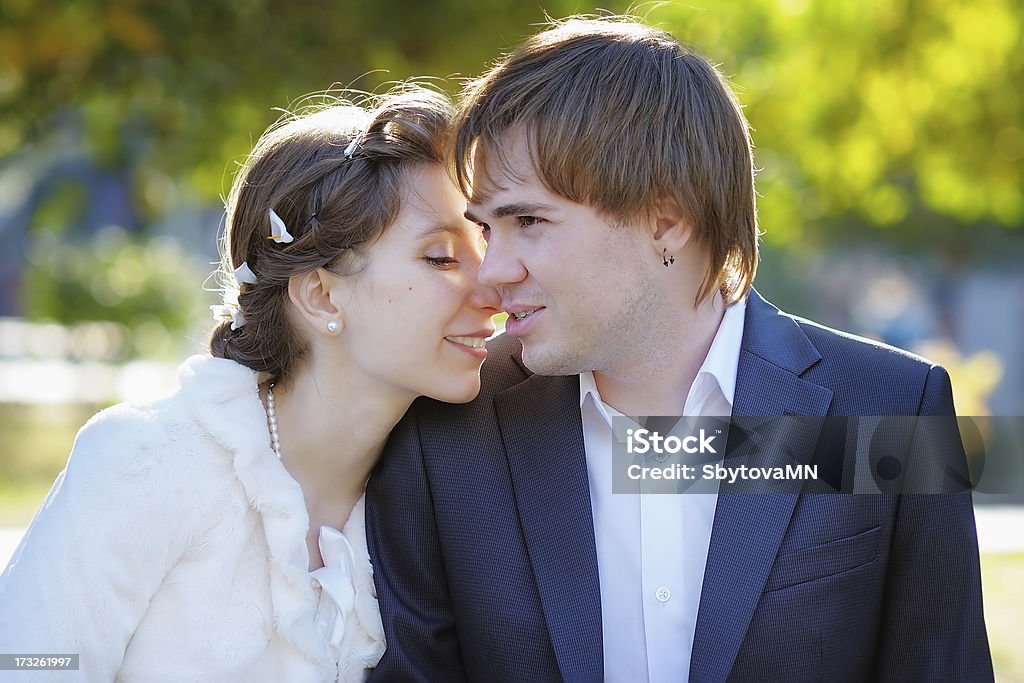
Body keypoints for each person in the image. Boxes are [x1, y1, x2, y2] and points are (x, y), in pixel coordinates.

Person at [366, 16, 994, 682]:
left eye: (528, 221)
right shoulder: (447, 425)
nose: (491, 272)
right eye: (489, 229)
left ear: (666, 220)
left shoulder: (888, 410)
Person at [0, 86, 499, 681]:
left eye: (486, 246)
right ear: (320, 293)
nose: (492, 288)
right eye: (441, 257)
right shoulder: (146, 462)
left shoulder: (443, 487)